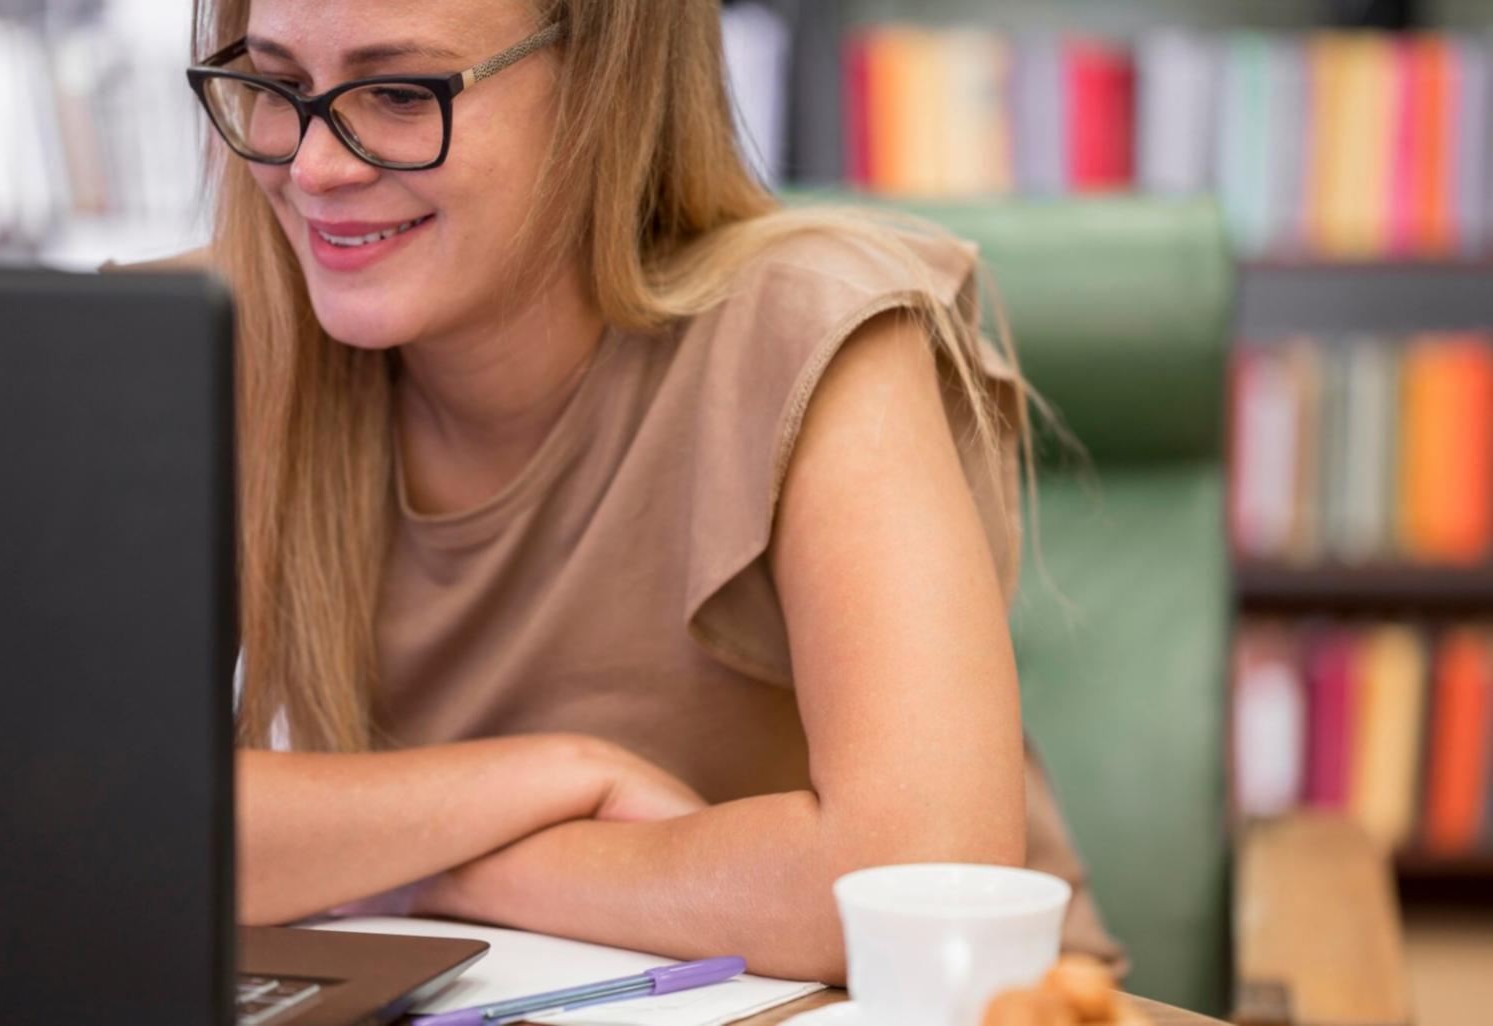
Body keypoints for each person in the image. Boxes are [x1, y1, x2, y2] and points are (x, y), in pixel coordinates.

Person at [160, 0, 1125, 983]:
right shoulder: (198, 336)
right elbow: (68, 820)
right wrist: (549, 777)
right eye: (276, 85)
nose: (315, 168)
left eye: (402, 93)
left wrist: (418, 864)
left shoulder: (813, 332)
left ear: (605, 90)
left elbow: (915, 884)